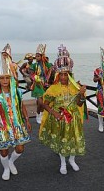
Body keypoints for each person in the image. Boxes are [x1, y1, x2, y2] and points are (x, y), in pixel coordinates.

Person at [39, 44, 87, 175]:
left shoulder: (76, 87)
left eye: (66, 75)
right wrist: (54, 112)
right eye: (62, 75)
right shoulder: (53, 88)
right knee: (62, 140)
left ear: (70, 74)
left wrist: (82, 94)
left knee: (73, 139)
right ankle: (63, 163)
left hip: (73, 119)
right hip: (59, 119)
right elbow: (45, 104)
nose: (64, 77)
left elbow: (80, 104)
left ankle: (72, 160)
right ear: (58, 75)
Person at [0, 51, 31, 181]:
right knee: (4, 151)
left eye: (7, 78)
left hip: (16, 124)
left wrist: (26, 120)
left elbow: (22, 106)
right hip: (1, 126)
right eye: (2, 78)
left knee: (20, 148)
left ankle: (11, 162)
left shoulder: (16, 91)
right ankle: (6, 168)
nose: (5, 81)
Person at [30, 44, 52, 124]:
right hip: (37, 85)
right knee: (40, 102)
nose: (36, 57)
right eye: (36, 56)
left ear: (42, 56)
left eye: (38, 56)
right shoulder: (34, 65)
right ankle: (38, 113)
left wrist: (47, 79)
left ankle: (41, 113)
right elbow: (31, 74)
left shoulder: (47, 65)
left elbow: (51, 69)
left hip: (45, 85)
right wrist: (36, 78)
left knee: (44, 102)